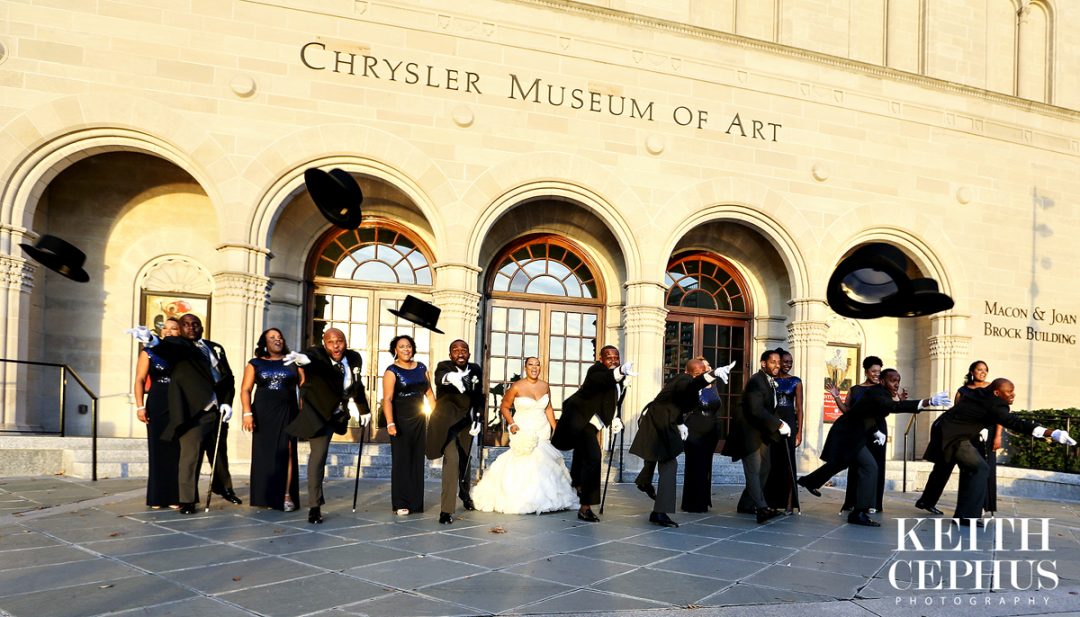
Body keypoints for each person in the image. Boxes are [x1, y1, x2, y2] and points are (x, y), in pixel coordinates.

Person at [799, 368, 949, 526]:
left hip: (854, 433)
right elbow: (894, 407)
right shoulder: (878, 393)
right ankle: (859, 512)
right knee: (870, 467)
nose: (896, 384)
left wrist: (876, 431)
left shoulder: (881, 393)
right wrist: (928, 401)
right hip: (849, 434)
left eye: (898, 381)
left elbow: (870, 414)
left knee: (841, 463)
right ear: (883, 381)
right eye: (892, 380)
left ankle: (809, 481)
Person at [128, 314, 241, 514]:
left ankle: (224, 488)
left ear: (202, 327)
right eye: (186, 325)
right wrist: (151, 340)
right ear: (180, 329)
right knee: (190, 455)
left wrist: (227, 403)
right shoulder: (179, 346)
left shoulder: (215, 347)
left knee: (219, 452)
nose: (191, 328)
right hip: (193, 411)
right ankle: (187, 500)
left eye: (195, 324)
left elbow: (228, 377)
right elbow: (166, 348)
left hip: (217, 409)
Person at [922, 377, 1074, 524]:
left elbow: (972, 409)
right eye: (1009, 392)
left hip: (943, 427)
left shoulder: (978, 392)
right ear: (996, 393)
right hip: (953, 436)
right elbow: (1015, 422)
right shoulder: (996, 405)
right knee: (979, 468)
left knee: (948, 467)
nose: (1013, 395)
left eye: (1013, 391)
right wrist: (1052, 433)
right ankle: (966, 516)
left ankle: (929, 502)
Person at [630, 358, 735, 527]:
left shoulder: (690, 382)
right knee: (669, 464)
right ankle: (659, 512)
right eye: (696, 374)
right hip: (659, 424)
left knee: (658, 455)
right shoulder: (683, 380)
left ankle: (644, 482)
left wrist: (680, 424)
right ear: (688, 372)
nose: (699, 376)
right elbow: (690, 387)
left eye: (703, 372)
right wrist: (712, 374)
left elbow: (677, 405)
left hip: (666, 421)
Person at [471, 356, 579, 514]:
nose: (534, 367)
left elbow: (548, 408)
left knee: (544, 461)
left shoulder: (545, 385)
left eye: (537, 365)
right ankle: (523, 499)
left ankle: (546, 498)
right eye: (531, 365)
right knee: (524, 462)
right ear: (525, 367)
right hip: (523, 428)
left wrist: (555, 426)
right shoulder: (517, 386)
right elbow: (505, 407)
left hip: (542, 428)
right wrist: (512, 423)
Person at [285, 327, 370, 524]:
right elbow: (310, 359)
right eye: (331, 342)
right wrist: (302, 360)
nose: (336, 345)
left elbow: (357, 386)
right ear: (325, 344)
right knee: (319, 457)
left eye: (339, 341)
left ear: (345, 342)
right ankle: (315, 507)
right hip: (317, 413)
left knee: (320, 457)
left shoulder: (354, 358)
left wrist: (364, 410)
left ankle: (315, 502)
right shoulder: (317, 356)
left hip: (338, 414)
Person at [551, 345, 632, 522]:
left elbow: (613, 401)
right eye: (609, 357)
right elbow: (601, 380)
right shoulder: (596, 370)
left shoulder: (618, 378)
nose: (613, 360)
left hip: (593, 423)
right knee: (594, 458)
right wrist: (619, 372)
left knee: (582, 456)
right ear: (601, 359)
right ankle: (585, 507)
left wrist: (615, 419)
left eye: (616, 357)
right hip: (580, 422)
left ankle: (578, 485)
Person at [916, 360, 998, 515]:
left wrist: (997, 435)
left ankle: (979, 507)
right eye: (979, 369)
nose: (983, 372)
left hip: (984, 433)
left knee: (978, 469)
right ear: (972, 372)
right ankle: (926, 501)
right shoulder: (962, 390)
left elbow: (1000, 414)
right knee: (943, 465)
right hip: (959, 434)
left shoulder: (992, 388)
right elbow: (956, 413)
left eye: (985, 370)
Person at [721, 350, 788, 524]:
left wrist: (778, 421)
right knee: (754, 470)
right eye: (773, 362)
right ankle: (762, 508)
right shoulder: (756, 381)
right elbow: (756, 410)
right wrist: (779, 424)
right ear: (763, 363)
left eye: (778, 362)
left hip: (762, 433)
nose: (777, 365)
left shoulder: (769, 381)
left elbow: (769, 408)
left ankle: (746, 504)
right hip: (749, 434)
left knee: (765, 468)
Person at [240, 328, 302, 512]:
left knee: (288, 451)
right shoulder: (255, 363)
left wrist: (304, 414)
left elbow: (305, 388)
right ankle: (265, 495)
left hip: (288, 411)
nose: (278, 340)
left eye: (280, 337)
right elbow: (245, 390)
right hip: (263, 412)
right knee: (264, 453)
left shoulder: (293, 362)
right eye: (272, 337)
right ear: (264, 343)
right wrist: (247, 413)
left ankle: (286, 494)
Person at [426, 340, 484, 524]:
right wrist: (451, 377)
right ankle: (446, 510)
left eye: (464, 350)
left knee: (466, 460)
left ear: (468, 354)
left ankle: (465, 496)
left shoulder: (475, 369)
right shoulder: (444, 366)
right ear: (451, 355)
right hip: (446, 423)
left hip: (466, 423)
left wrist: (478, 419)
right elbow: (439, 378)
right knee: (453, 460)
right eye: (455, 350)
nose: (460, 353)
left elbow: (478, 396)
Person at [132, 317, 182, 509]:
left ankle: (176, 496)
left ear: (180, 332)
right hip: (158, 402)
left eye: (174, 328)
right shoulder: (149, 352)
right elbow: (139, 380)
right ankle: (157, 497)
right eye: (165, 328)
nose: (169, 331)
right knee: (158, 448)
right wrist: (139, 405)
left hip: (179, 403)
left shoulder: (183, 353)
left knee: (177, 449)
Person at [383, 334, 434, 515]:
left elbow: (429, 394)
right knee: (402, 461)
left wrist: (435, 420)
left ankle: (415, 502)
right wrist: (390, 423)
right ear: (395, 350)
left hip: (419, 419)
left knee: (417, 460)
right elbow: (387, 399)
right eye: (402, 346)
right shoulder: (391, 370)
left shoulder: (421, 368)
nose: (406, 349)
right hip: (400, 421)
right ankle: (400, 502)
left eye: (409, 346)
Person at [827, 355, 886, 514]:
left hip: (878, 430)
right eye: (873, 371)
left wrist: (899, 398)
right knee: (856, 466)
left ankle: (873, 503)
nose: (876, 374)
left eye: (879, 371)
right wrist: (836, 396)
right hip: (858, 430)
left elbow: (892, 405)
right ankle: (852, 502)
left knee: (876, 465)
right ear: (866, 371)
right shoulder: (855, 389)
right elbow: (847, 411)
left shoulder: (882, 388)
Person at [681, 357, 725, 513]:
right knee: (694, 465)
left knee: (706, 465)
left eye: (708, 366)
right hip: (695, 428)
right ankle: (692, 503)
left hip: (711, 429)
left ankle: (703, 500)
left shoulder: (713, 386)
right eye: (704, 367)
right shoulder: (692, 386)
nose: (707, 369)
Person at [764, 349, 803, 514]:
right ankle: (771, 502)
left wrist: (800, 432)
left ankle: (789, 503)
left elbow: (799, 408)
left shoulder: (796, 381)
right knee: (773, 464)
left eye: (790, 362)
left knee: (788, 464)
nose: (788, 365)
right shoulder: (770, 379)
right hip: (773, 423)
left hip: (789, 425)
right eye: (785, 361)